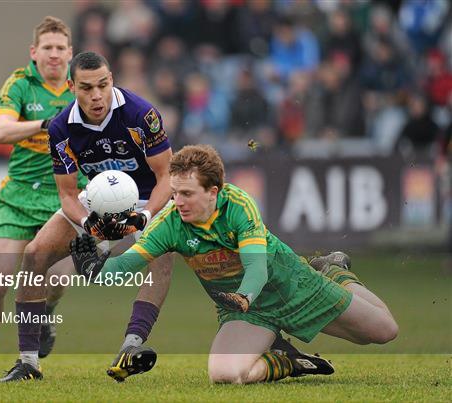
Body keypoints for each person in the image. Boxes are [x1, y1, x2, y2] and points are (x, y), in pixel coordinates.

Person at [71, 144, 399, 384]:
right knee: (224, 375)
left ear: (213, 192)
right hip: (245, 310)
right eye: (174, 192)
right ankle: (287, 362)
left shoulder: (239, 206)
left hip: (292, 288)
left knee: (384, 331)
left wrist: (244, 294)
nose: (177, 202)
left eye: (186, 193)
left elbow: (256, 268)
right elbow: (126, 265)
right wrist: (93, 268)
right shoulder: (169, 223)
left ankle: (334, 272)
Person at [0, 51, 175, 382]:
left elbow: (167, 175)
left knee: (161, 262)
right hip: (95, 200)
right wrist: (87, 223)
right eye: (87, 88)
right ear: (71, 87)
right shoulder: (63, 127)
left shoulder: (141, 114)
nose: (97, 96)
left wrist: (146, 216)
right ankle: (28, 363)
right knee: (35, 254)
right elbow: (67, 194)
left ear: (112, 81)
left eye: (103, 85)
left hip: (147, 199)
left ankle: (130, 347)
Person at [0, 16, 86, 369]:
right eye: (47, 48)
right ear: (34, 52)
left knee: (58, 278)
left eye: (61, 48)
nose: (54, 54)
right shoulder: (20, 84)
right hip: (16, 198)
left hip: (63, 196)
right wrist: (46, 124)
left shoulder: (83, 87)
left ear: (70, 53)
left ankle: (43, 313)